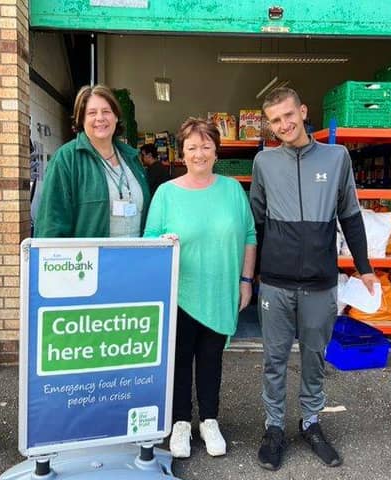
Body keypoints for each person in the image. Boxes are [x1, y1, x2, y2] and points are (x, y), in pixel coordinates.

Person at [249, 87, 376, 470]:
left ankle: (311, 422)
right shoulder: (264, 163)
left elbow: (350, 215)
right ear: (269, 125)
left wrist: (364, 266)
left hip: (321, 282)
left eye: (289, 115)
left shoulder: (337, 158)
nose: (284, 124)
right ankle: (274, 428)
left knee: (314, 357)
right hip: (275, 281)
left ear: (303, 111)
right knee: (273, 358)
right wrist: (248, 276)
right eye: (275, 120)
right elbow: (254, 223)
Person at [144, 117, 256, 459]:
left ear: (216, 151)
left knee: (211, 360)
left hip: (220, 289)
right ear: (182, 152)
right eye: (192, 147)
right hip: (180, 291)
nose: (199, 153)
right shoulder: (166, 193)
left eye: (206, 146)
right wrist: (162, 241)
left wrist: (246, 280)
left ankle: (209, 420)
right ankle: (179, 422)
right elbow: (148, 240)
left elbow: (250, 236)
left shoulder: (232, 190)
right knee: (178, 360)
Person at [34, 84, 151, 238]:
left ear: (116, 116)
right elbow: (50, 224)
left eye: (106, 111)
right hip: (92, 260)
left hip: (135, 259)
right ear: (81, 119)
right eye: (92, 113)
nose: (100, 118)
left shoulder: (132, 158)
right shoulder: (66, 160)